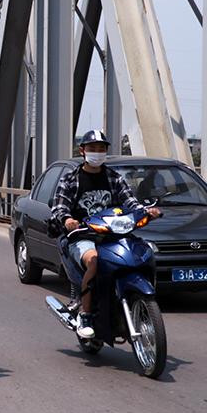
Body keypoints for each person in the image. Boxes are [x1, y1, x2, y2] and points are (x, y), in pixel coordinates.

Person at [51, 129, 161, 339]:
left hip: (113, 235)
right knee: (93, 260)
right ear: (83, 151)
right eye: (92, 149)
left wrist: (146, 212)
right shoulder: (70, 179)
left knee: (143, 252)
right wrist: (67, 220)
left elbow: (130, 201)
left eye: (101, 149)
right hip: (83, 236)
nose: (97, 153)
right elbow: (59, 207)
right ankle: (85, 314)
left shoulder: (114, 178)